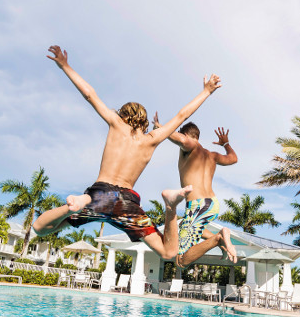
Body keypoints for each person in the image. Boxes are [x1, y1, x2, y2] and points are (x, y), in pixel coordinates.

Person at [33, 45, 222, 261]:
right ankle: (170, 206)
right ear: (144, 121)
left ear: (122, 115)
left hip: (98, 197)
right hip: (127, 204)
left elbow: (89, 95)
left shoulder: (116, 124)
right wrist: (206, 91)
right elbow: (182, 115)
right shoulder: (152, 139)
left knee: (40, 228)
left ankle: (72, 207)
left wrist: (65, 66)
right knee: (168, 252)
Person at [154, 115, 238, 267]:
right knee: (188, 227)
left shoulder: (190, 145)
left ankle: (218, 238)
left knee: (180, 260)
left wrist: (161, 128)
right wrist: (225, 143)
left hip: (197, 205)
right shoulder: (212, 156)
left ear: (186, 134)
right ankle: (221, 243)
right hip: (211, 204)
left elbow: (183, 140)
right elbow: (233, 158)